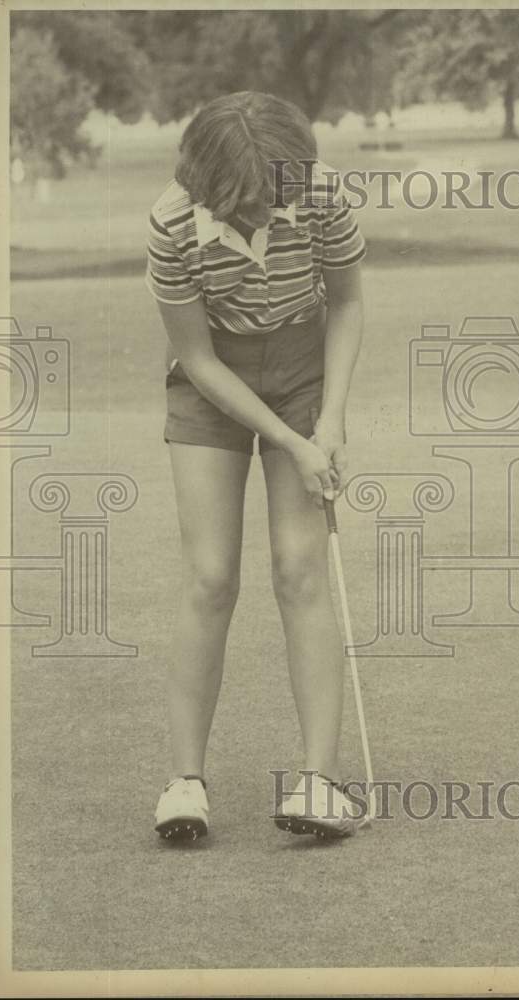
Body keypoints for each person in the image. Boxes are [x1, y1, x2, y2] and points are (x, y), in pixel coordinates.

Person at [144, 91, 366, 842]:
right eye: (250, 205)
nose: (269, 216)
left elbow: (345, 303)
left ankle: (319, 784)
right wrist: (289, 439)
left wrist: (328, 422)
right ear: (210, 187)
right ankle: (184, 784)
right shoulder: (172, 222)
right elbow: (199, 357)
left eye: (279, 199)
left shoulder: (320, 190)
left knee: (300, 569)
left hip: (305, 369)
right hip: (213, 381)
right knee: (211, 576)